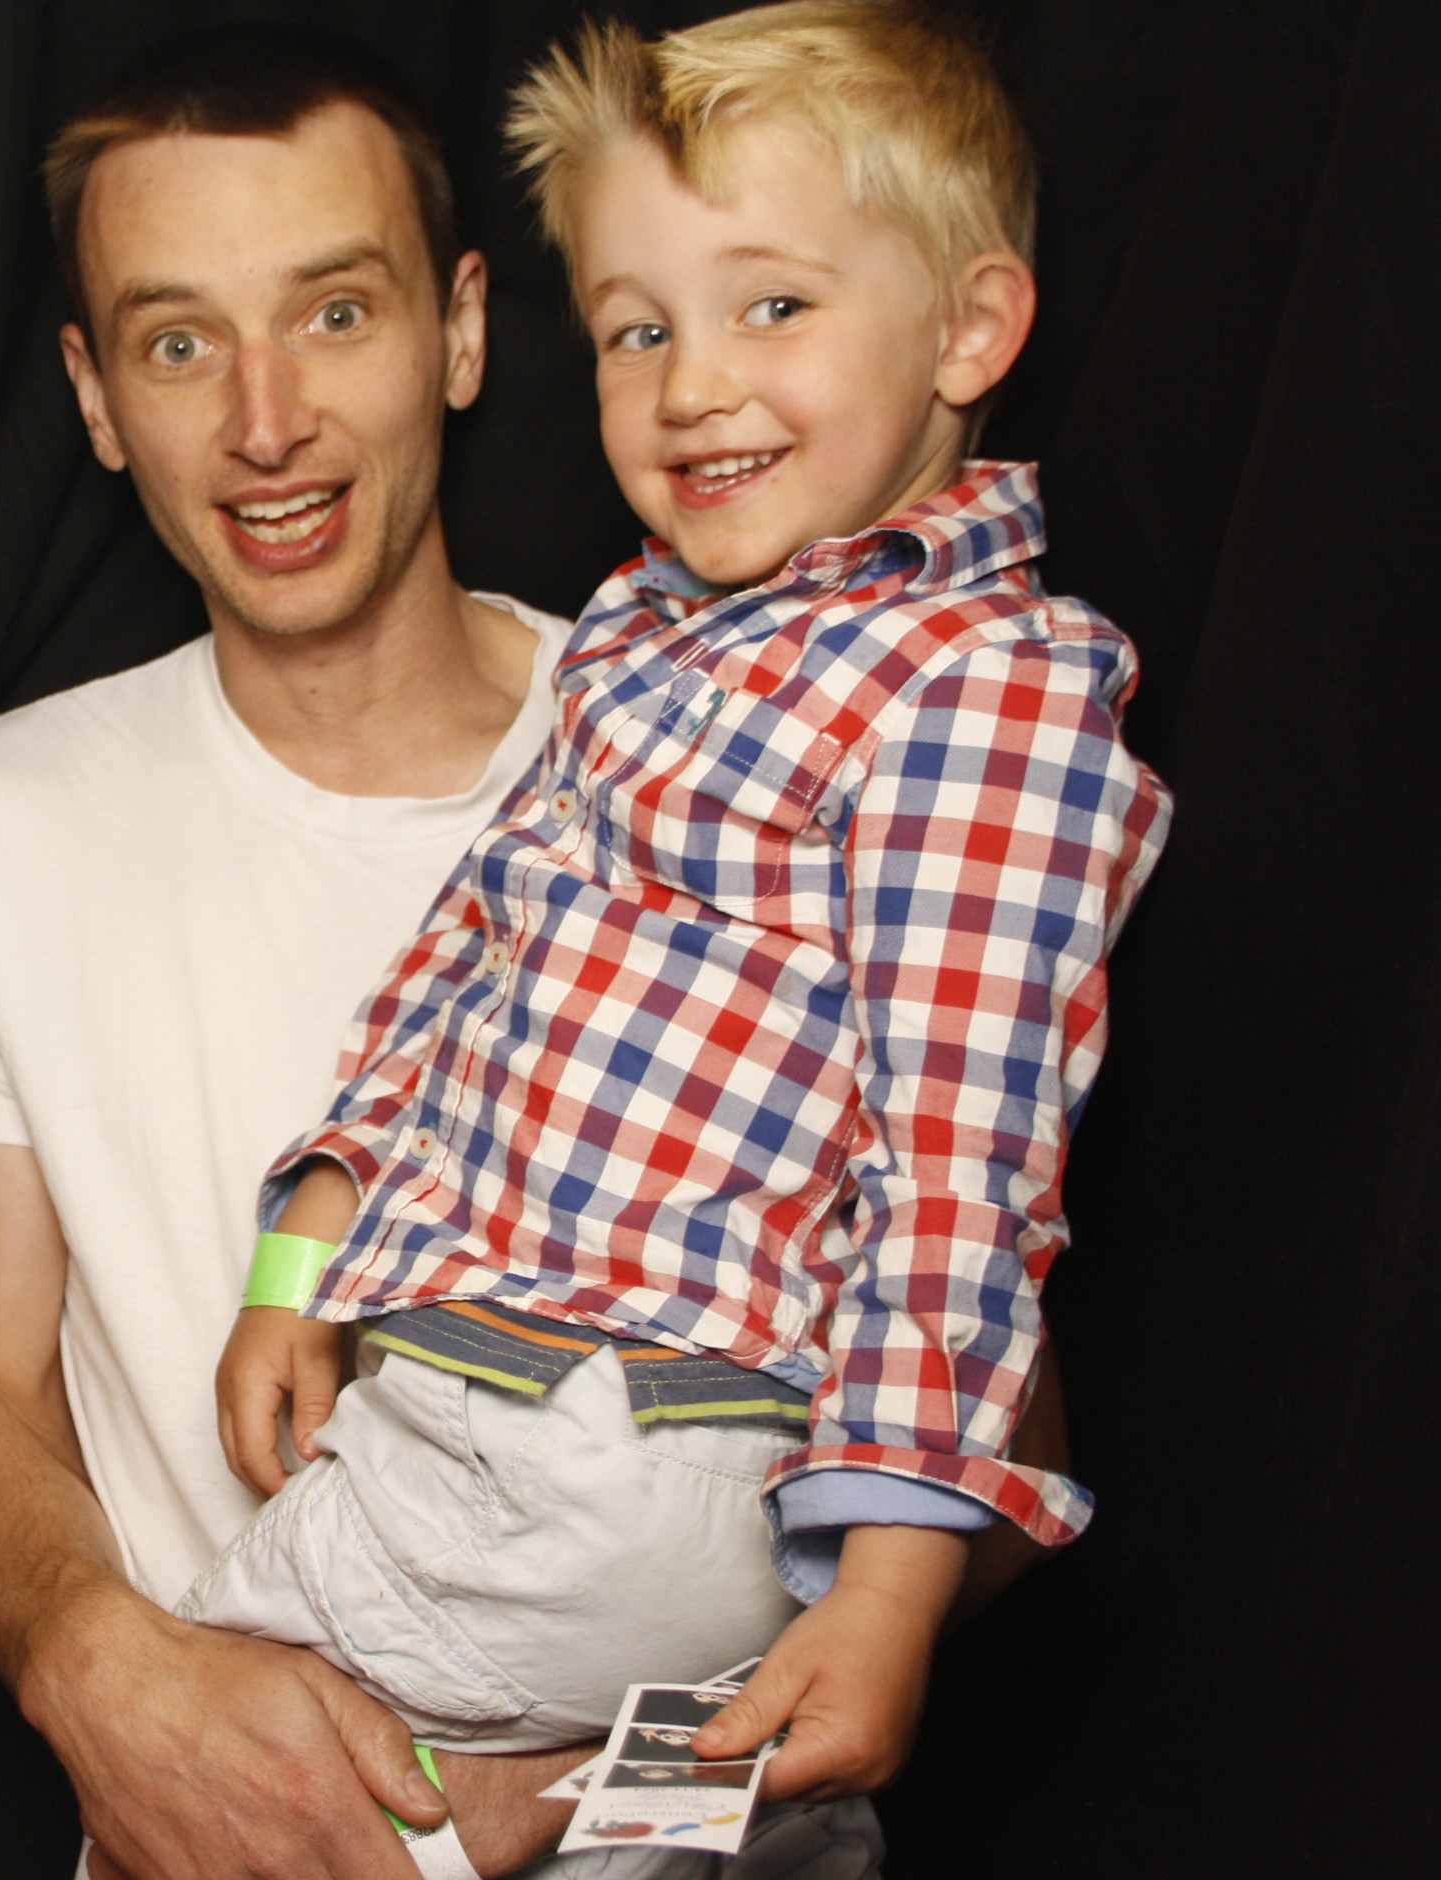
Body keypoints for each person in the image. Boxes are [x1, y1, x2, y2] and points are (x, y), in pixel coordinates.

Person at [197, 4, 1169, 1873]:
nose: (693, 385)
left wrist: (888, 1590)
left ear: (971, 329)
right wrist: (302, 1251)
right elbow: (474, 947)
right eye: (637, 329)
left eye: (772, 307)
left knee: (205, 1770)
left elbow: (960, 1166)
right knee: (644, 1831)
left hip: (627, 1434)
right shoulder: (642, 639)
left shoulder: (985, 688)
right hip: (521, 1405)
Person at [0, 30, 593, 1878]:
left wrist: (569, 1785)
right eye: (180, 344)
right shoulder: (8, 819)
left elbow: (975, 1418)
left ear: (460, 330)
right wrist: (91, 1660)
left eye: (334, 316)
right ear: (95, 395)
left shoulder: (700, 764)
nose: (264, 423)